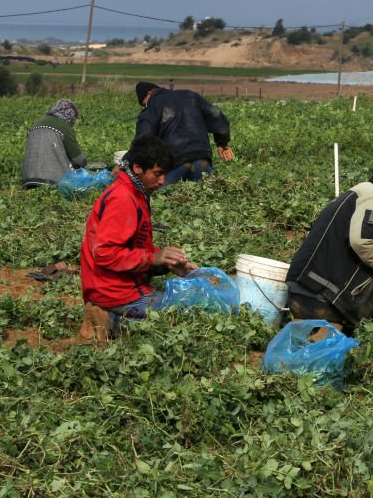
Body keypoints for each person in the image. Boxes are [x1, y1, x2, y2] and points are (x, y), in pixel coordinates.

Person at [286, 151, 373, 336]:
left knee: (303, 347)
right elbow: (365, 241)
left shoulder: (363, 193)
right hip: (322, 295)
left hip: (307, 288)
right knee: (318, 360)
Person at [79, 134, 197, 340]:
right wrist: (153, 258)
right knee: (189, 315)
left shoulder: (135, 191)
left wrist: (166, 264)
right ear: (137, 168)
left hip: (119, 285)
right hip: (114, 290)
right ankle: (110, 320)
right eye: (157, 174)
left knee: (189, 308)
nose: (162, 181)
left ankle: (110, 316)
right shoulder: (123, 199)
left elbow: (134, 245)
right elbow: (106, 253)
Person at [134, 82, 234, 185]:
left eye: (144, 103)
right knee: (206, 192)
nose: (145, 106)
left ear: (149, 93)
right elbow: (216, 114)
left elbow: (143, 138)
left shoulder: (153, 105)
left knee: (162, 196)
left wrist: (130, 162)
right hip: (201, 157)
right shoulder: (190, 95)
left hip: (175, 161)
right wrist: (222, 143)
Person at [21, 99, 87, 188]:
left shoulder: (35, 124)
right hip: (53, 181)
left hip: (27, 180)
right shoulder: (64, 126)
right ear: (71, 115)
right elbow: (79, 159)